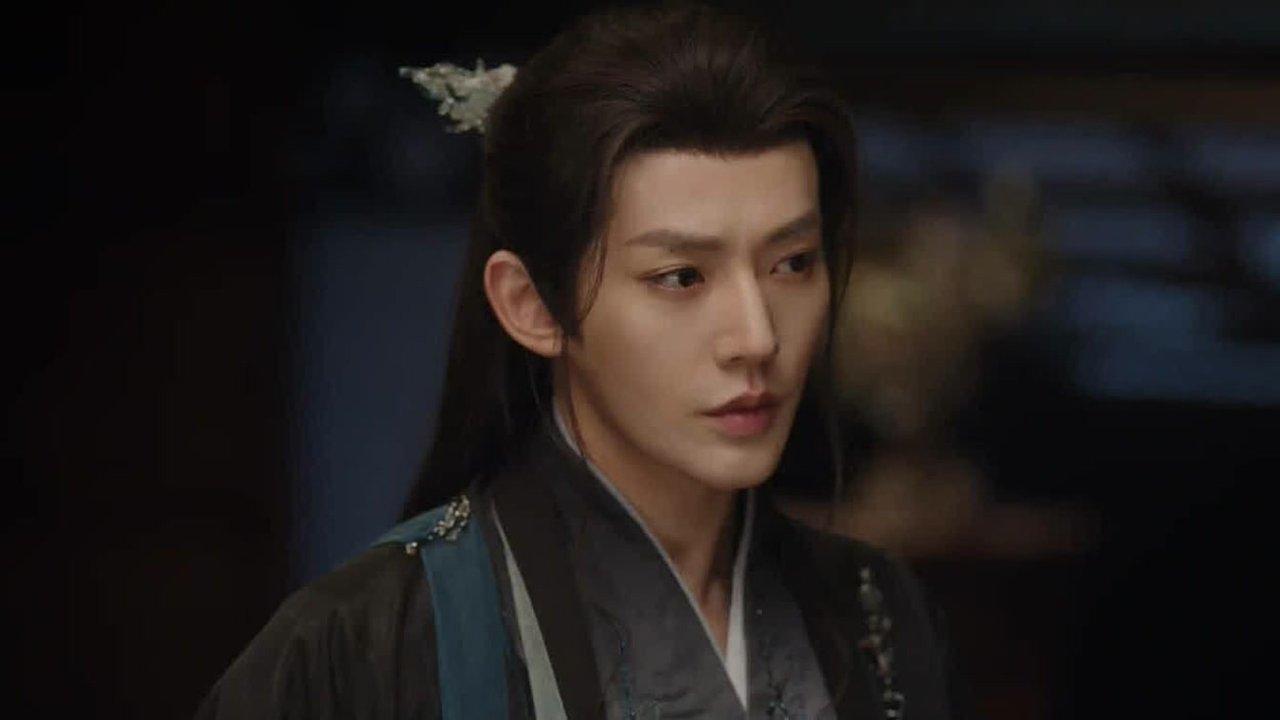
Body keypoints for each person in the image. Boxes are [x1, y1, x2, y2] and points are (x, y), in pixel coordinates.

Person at [196, 3, 962, 718]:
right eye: (681, 277)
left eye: (791, 263)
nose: (757, 336)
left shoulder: (875, 614)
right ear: (533, 305)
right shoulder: (362, 646)